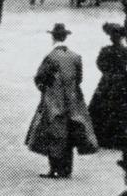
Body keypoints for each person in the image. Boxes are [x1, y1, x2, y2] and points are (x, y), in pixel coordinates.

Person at [25, 24, 97, 179]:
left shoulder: (51, 57)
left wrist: (45, 90)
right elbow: (79, 79)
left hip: (54, 100)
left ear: (53, 37)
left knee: (54, 132)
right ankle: (67, 169)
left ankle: (54, 169)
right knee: (70, 132)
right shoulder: (76, 56)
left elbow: (40, 78)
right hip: (73, 99)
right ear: (65, 37)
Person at [89, 23, 127, 151]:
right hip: (122, 82)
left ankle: (101, 136)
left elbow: (99, 64)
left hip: (107, 82)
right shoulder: (126, 51)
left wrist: (108, 72)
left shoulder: (105, 50)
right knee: (120, 110)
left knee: (102, 107)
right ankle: (117, 136)